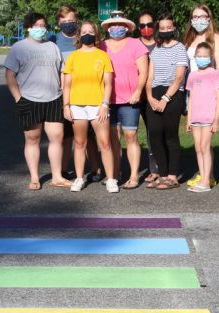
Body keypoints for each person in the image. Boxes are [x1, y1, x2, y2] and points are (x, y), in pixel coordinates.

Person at [5, 12, 72, 190]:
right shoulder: (19, 47)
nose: (40, 29)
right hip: (29, 99)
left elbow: (62, 73)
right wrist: (18, 98)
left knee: (57, 138)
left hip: (54, 98)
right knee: (33, 139)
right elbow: (10, 75)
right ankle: (35, 178)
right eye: (37, 26)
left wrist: (65, 97)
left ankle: (57, 176)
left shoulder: (52, 47)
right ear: (29, 27)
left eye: (43, 26)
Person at [62, 21, 118, 193]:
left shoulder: (103, 56)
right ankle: (79, 178)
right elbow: (67, 85)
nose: (87, 34)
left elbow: (108, 84)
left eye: (90, 31)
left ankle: (111, 179)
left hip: (98, 106)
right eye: (84, 31)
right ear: (79, 35)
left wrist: (104, 104)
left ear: (96, 34)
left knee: (105, 142)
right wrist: (66, 106)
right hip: (77, 105)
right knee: (79, 142)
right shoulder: (73, 57)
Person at [50, 5, 102, 181]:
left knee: (90, 136)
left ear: (77, 21)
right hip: (63, 93)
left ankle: (96, 168)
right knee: (67, 135)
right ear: (59, 22)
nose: (68, 24)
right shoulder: (53, 40)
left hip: (89, 93)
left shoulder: (84, 39)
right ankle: (64, 169)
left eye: (71, 21)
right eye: (64, 21)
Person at [101, 11, 149, 189]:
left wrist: (138, 91)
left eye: (121, 25)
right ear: (107, 28)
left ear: (127, 27)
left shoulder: (136, 44)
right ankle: (114, 173)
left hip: (130, 99)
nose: (117, 28)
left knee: (130, 136)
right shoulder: (101, 46)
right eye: (113, 25)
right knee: (113, 138)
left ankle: (134, 175)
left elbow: (144, 71)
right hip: (107, 100)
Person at [183, 4, 219, 188]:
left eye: (202, 16)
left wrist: (214, 97)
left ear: (209, 18)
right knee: (198, 141)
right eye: (195, 16)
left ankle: (208, 176)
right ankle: (203, 174)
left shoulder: (215, 38)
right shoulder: (190, 39)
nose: (198, 20)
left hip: (208, 93)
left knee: (205, 142)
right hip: (192, 89)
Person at [145, 13, 188, 190]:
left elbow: (179, 77)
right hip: (154, 93)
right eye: (162, 28)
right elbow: (149, 77)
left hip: (172, 94)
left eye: (168, 28)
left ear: (174, 28)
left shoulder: (180, 48)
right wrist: (149, 97)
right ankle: (162, 174)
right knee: (154, 135)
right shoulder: (156, 49)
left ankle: (172, 175)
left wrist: (165, 99)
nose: (165, 31)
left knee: (170, 135)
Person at [185, 42, 219, 193]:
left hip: (209, 118)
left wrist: (216, 119)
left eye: (205, 56)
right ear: (195, 57)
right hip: (196, 118)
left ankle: (207, 181)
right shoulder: (193, 75)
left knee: (206, 147)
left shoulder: (215, 74)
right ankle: (202, 177)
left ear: (211, 57)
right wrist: (189, 119)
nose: (202, 58)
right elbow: (191, 98)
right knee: (198, 148)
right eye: (199, 56)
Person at [137, 10, 159, 184]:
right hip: (136, 96)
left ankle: (156, 169)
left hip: (155, 95)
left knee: (154, 133)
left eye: (149, 24)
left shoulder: (161, 44)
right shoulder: (134, 44)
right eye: (142, 25)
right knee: (130, 134)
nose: (146, 28)